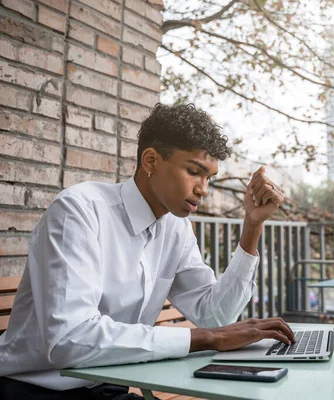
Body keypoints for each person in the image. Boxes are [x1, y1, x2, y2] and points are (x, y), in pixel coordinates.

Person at [0, 103, 296, 399]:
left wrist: (252, 225)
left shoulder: (175, 229)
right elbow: (69, 340)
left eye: (209, 178)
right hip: (36, 388)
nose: (203, 189)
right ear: (151, 160)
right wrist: (208, 339)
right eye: (194, 171)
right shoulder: (79, 212)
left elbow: (214, 315)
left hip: (105, 385)